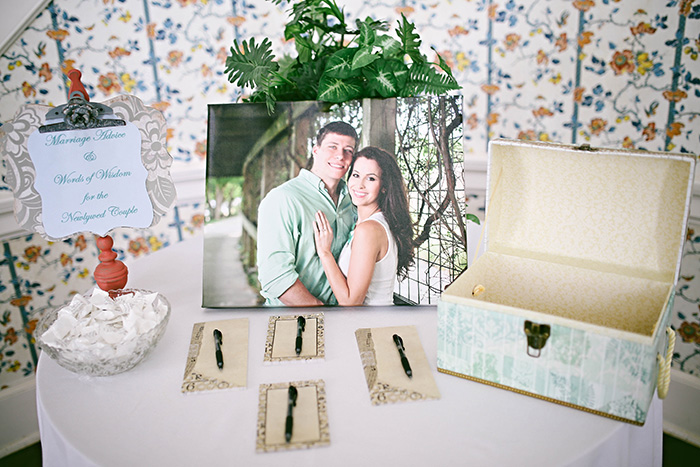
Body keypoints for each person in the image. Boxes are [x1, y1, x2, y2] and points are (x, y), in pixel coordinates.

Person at [257, 121, 358, 306]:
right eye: (332, 147)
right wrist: (320, 311)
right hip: (292, 319)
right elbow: (275, 277)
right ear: (316, 150)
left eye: (348, 150)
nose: (340, 156)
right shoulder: (283, 199)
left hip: (342, 314)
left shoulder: (353, 201)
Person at [313, 146, 414, 306]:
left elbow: (350, 302)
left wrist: (325, 253)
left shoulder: (369, 230)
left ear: (384, 187)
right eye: (356, 175)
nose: (359, 185)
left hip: (370, 325)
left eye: (371, 178)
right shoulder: (371, 223)